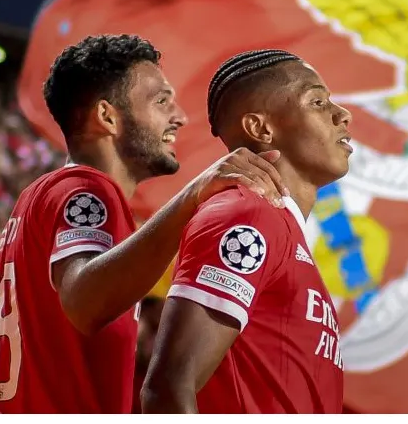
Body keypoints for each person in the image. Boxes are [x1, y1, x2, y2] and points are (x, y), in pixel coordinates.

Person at [0, 34, 287, 414]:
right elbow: (85, 301)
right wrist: (194, 195)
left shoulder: (43, 196)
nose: (180, 117)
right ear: (108, 117)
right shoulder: (86, 191)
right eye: (160, 101)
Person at [141, 49, 352, 414]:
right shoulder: (246, 216)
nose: (342, 114)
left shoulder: (280, 226)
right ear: (261, 128)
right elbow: (168, 389)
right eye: (317, 101)